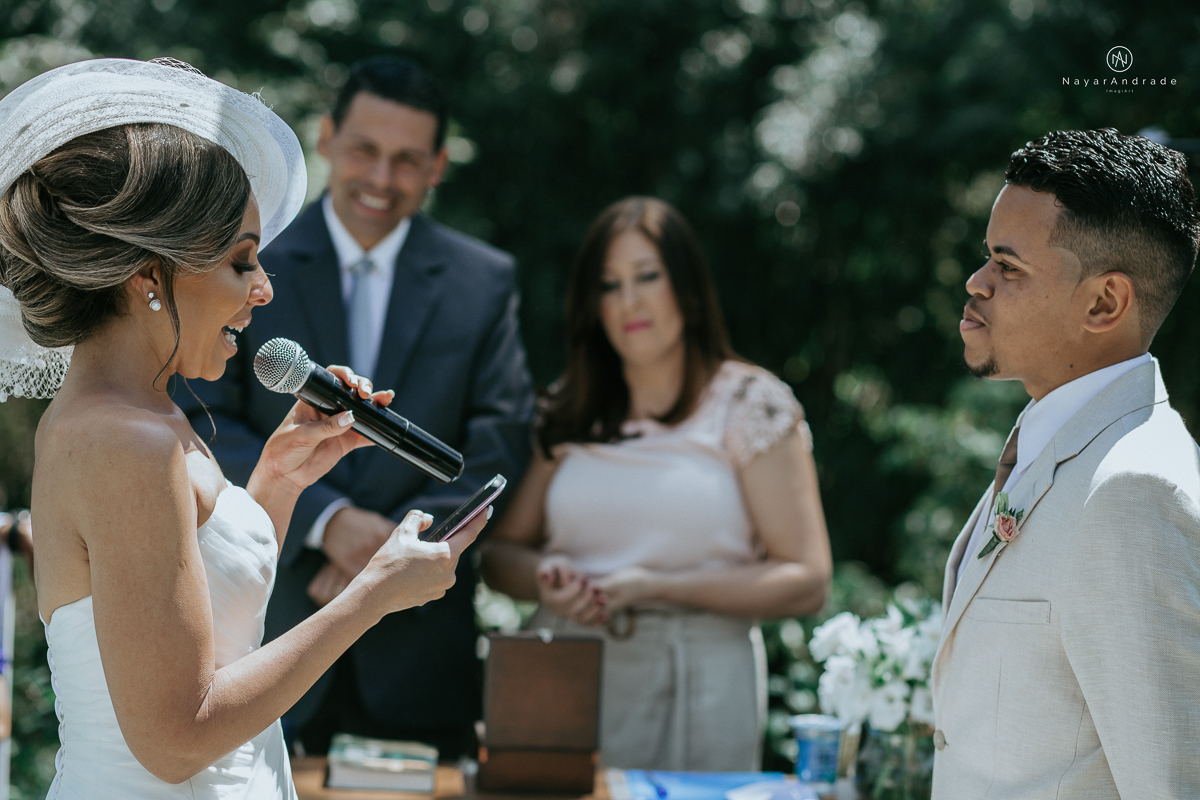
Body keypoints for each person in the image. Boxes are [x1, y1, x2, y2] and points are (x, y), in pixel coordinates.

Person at [0, 58, 487, 798]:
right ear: (147, 277)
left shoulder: (145, 413)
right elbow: (175, 737)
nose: (263, 290)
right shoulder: (121, 441)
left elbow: (208, 612)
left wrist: (283, 475)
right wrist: (373, 595)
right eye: (240, 262)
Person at [180, 56, 534, 758]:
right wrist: (329, 523)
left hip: (421, 657)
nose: (381, 177)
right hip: (270, 632)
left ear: (436, 166)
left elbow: (500, 440)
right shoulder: (250, 258)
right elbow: (202, 415)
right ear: (328, 137)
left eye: (406, 160)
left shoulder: (483, 282)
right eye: (366, 150)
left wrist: (395, 545)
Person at [480, 196, 832, 771]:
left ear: (688, 290)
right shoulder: (569, 410)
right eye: (609, 285)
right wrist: (547, 581)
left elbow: (807, 580)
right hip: (565, 677)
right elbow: (499, 555)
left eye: (648, 276)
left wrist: (655, 585)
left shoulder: (750, 404)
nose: (630, 302)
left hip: (702, 685)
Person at [931, 129, 1200, 799]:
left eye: (1008, 266)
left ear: (1104, 303)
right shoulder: (1058, 445)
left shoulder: (1132, 488)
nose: (976, 281)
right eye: (985, 257)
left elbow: (1171, 782)